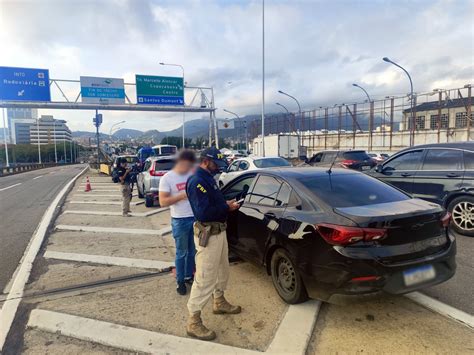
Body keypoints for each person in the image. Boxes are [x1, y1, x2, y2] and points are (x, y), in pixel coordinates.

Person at [185, 146, 241, 341]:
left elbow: (214, 202)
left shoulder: (208, 178)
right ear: (206, 161)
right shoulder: (197, 181)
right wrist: (226, 206)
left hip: (219, 232)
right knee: (204, 277)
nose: (219, 168)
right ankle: (194, 320)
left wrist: (227, 203)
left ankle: (219, 301)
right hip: (208, 234)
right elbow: (203, 212)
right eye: (216, 164)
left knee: (222, 270)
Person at [158, 150, 197, 295]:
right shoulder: (167, 178)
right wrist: (182, 195)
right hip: (179, 220)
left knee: (192, 251)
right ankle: (180, 281)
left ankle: (189, 276)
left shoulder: (191, 175)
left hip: (194, 218)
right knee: (181, 252)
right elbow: (162, 202)